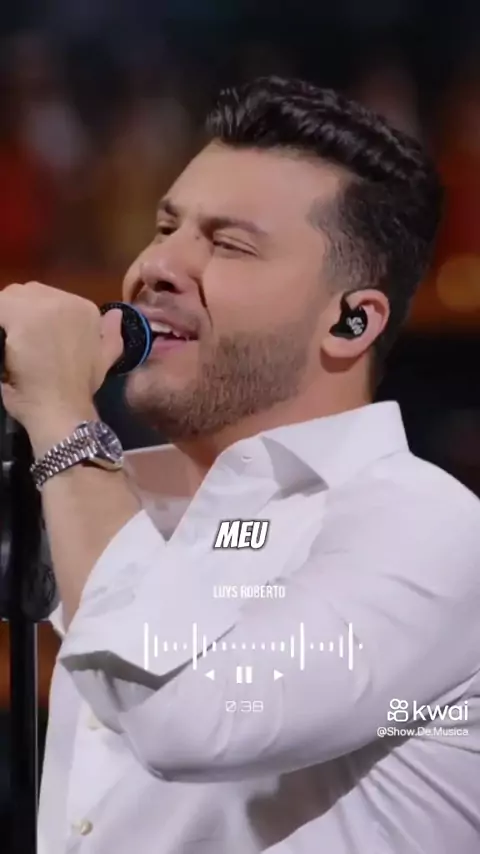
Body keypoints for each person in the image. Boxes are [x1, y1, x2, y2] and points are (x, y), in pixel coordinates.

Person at [0, 76, 479, 854]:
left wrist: (61, 415)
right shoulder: (124, 501)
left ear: (350, 321)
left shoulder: (429, 529)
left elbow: (188, 717)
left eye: (228, 244)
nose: (157, 265)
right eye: (166, 226)